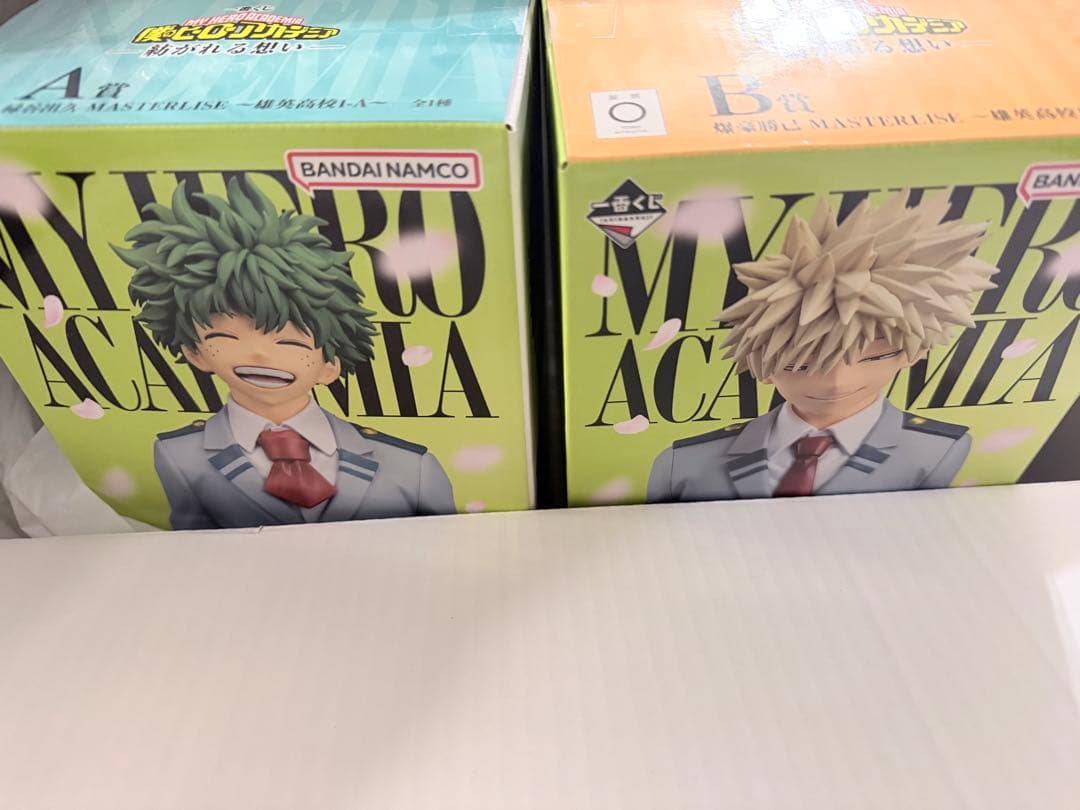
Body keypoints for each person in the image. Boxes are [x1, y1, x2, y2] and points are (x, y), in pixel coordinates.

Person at [116, 177, 455, 529]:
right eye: (226, 337)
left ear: (330, 365)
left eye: (290, 343)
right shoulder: (179, 455)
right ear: (195, 352)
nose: (260, 354)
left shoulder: (410, 465)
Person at [648, 191, 997, 502]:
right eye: (799, 363)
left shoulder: (940, 450)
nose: (836, 381)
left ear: (915, 351)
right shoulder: (685, 461)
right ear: (762, 368)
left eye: (873, 356)